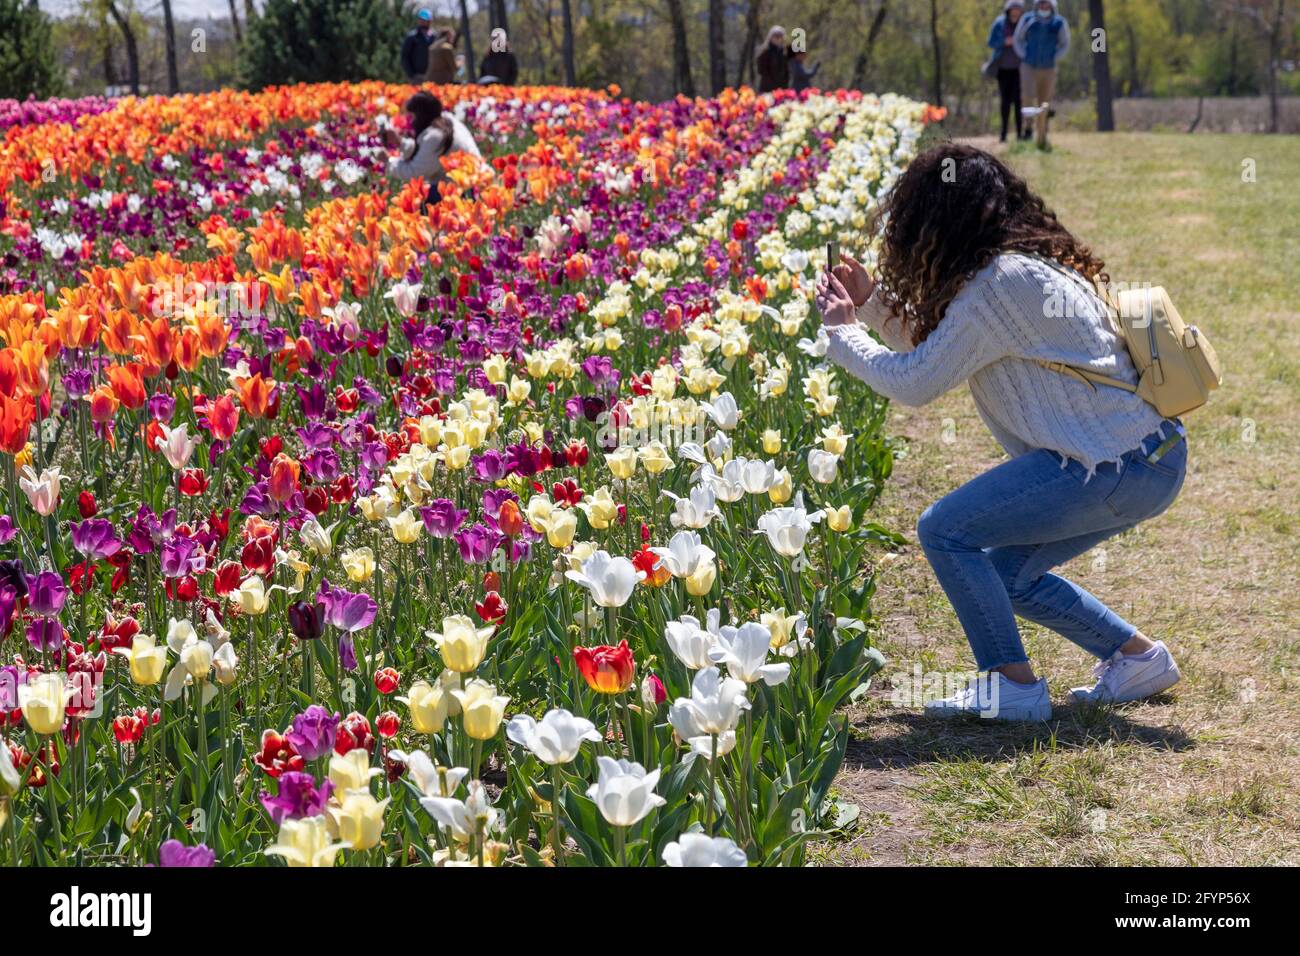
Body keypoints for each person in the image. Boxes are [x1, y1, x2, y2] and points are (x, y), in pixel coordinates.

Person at [813, 144, 1186, 722]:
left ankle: (1010, 686)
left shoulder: (996, 284)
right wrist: (869, 306)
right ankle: (1137, 659)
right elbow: (949, 349)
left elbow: (915, 382)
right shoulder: (1024, 267)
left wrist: (841, 334)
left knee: (945, 531)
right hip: (1149, 458)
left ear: (937, 222)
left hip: (1110, 464)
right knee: (1006, 573)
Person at [385, 91, 482, 208]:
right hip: (468, 188)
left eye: (413, 116)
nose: (411, 122)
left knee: (411, 197)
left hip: (462, 193)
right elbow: (425, 155)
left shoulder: (435, 136)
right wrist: (400, 143)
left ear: (421, 115)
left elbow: (414, 173)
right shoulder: (448, 122)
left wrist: (388, 161)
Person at [1013, 0, 1069, 111]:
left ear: (1052, 5)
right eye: (1041, 2)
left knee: (1044, 101)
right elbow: (1017, 39)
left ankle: (1042, 127)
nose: (1043, 5)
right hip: (1028, 65)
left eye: (1046, 2)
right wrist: (1024, 55)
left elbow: (1065, 44)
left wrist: (1054, 56)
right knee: (1027, 97)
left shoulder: (1058, 22)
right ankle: (1028, 127)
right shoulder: (1028, 19)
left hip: (1049, 67)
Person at [988, 1, 1027, 142]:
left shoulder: (1025, 23)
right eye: (1013, 9)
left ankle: (1019, 134)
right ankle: (1003, 134)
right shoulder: (999, 23)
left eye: (1018, 9)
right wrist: (1004, 42)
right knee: (1005, 102)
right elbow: (990, 42)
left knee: (1018, 102)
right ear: (1008, 10)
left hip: (1020, 69)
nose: (1015, 11)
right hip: (1003, 69)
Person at [400, 9, 435, 82]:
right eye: (422, 20)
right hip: (416, 76)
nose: (424, 22)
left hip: (432, 76)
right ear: (419, 20)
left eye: (427, 20)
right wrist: (411, 74)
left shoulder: (434, 36)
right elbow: (404, 56)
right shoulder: (412, 36)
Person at [755, 27, 789, 93]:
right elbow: (760, 70)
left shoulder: (784, 52)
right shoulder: (765, 52)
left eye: (780, 36)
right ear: (770, 37)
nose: (778, 39)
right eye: (776, 36)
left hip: (781, 89)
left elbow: (786, 72)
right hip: (767, 89)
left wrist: (785, 88)